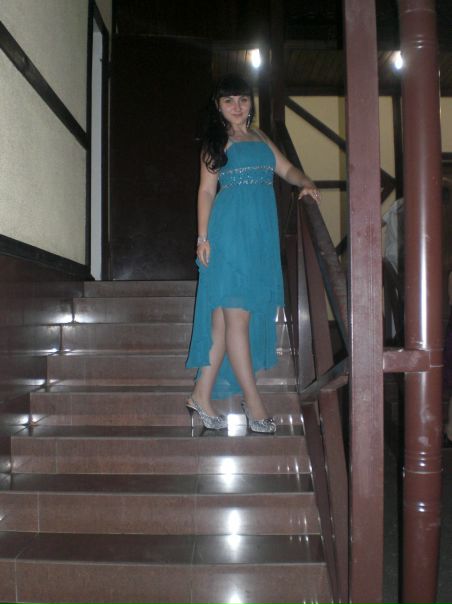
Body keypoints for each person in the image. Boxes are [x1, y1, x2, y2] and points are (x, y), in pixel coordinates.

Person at [185, 74, 320, 433]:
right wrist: (202, 238)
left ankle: (201, 395)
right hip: (228, 234)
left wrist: (306, 182)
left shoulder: (260, 136)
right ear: (218, 106)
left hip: (259, 237)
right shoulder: (216, 141)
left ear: (250, 103)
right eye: (228, 100)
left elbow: (286, 169)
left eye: (242, 99)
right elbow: (206, 191)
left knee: (221, 322)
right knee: (237, 320)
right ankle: (254, 402)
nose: (237, 106)